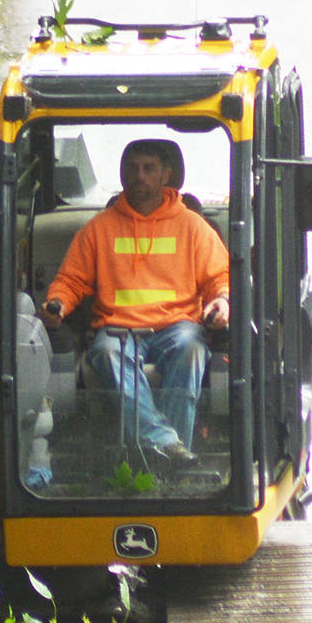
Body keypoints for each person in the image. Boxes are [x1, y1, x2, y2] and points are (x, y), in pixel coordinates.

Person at [40, 139, 228, 469]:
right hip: (118, 328)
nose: (139, 176)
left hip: (177, 328)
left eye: (149, 168)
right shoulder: (100, 229)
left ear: (166, 175)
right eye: (132, 168)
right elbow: (71, 280)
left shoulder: (193, 227)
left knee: (193, 350)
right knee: (107, 353)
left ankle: (163, 457)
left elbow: (221, 279)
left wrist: (222, 303)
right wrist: (57, 303)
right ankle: (169, 447)